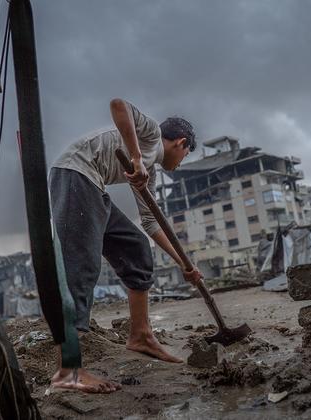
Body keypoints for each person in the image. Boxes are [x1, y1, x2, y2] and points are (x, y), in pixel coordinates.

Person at [48, 98, 204, 393]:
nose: (181, 163)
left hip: (94, 186)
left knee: (137, 250)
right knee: (81, 267)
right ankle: (68, 372)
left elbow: (152, 224)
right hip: (74, 174)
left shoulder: (151, 173)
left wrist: (184, 264)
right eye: (185, 156)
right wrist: (135, 157)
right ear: (181, 143)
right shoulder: (151, 135)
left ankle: (141, 336)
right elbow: (119, 105)